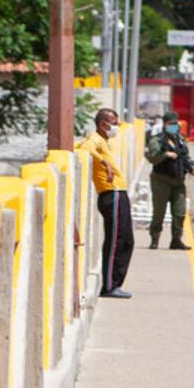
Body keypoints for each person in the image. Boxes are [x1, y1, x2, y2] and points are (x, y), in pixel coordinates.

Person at [87, 108, 133, 298]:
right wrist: (102, 161)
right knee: (115, 241)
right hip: (110, 193)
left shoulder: (105, 141)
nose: (116, 127)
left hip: (119, 192)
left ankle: (116, 283)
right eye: (113, 123)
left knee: (127, 240)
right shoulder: (95, 138)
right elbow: (85, 148)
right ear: (102, 124)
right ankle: (109, 285)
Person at [145, 110, 194, 250]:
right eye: (171, 123)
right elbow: (152, 157)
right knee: (159, 212)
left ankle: (176, 240)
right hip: (161, 180)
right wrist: (165, 154)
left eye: (175, 123)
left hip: (178, 181)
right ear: (165, 123)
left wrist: (192, 167)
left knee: (180, 213)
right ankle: (155, 239)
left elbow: (185, 157)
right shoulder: (157, 140)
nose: (174, 126)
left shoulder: (179, 139)